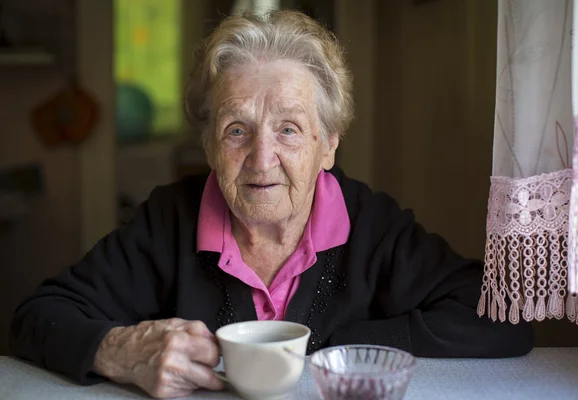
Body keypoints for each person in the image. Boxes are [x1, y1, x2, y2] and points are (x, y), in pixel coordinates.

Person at [9, 9, 533, 399]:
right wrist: (121, 351)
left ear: (329, 144)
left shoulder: (372, 225)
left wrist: (341, 346)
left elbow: (503, 318)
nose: (262, 158)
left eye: (288, 129)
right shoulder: (168, 221)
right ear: (209, 144)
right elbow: (37, 317)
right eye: (236, 130)